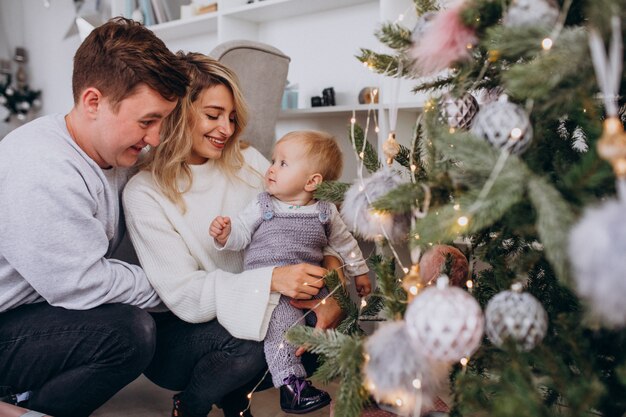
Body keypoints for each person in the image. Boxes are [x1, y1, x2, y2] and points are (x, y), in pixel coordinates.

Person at [122, 52, 344, 417]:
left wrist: (333, 286)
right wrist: (272, 279)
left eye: (231, 117)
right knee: (256, 341)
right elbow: (186, 297)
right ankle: (190, 405)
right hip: (179, 334)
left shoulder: (249, 162)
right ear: (179, 111)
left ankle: (233, 399)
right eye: (213, 115)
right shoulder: (144, 192)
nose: (226, 129)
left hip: (259, 306)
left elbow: (316, 217)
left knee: (317, 336)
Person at [0, 18, 189, 417]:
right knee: (129, 332)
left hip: (38, 305)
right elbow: (81, 285)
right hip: (8, 322)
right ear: (93, 102)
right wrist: (182, 285)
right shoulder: (43, 169)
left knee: (162, 308)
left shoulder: (115, 151)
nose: (155, 138)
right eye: (146, 122)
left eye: (162, 121)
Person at [209, 130, 371, 413]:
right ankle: (291, 386)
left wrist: (360, 273)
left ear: (312, 181)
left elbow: (346, 244)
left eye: (283, 163)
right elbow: (242, 233)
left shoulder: (326, 212)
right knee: (284, 331)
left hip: (312, 284)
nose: (271, 168)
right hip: (272, 289)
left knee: (342, 323)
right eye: (274, 160)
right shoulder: (264, 205)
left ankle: (364, 381)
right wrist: (225, 235)